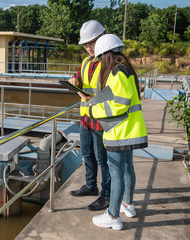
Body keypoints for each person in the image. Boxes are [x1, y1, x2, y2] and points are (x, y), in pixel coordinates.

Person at [80, 34, 148, 230]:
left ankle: (113, 216)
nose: (100, 63)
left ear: (105, 55)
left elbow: (120, 103)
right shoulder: (126, 70)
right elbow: (120, 95)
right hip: (130, 129)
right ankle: (127, 204)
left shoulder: (116, 72)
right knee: (127, 169)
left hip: (119, 131)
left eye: (100, 58)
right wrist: (98, 98)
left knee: (117, 173)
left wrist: (94, 109)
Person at [68, 20, 111, 211]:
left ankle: (107, 195)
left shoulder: (110, 62)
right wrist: (73, 81)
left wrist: (92, 97)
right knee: (87, 154)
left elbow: (113, 92)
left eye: (91, 43)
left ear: (102, 38)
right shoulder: (86, 62)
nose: (88, 48)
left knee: (103, 160)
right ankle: (91, 185)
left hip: (101, 119)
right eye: (85, 44)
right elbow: (79, 77)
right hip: (86, 118)